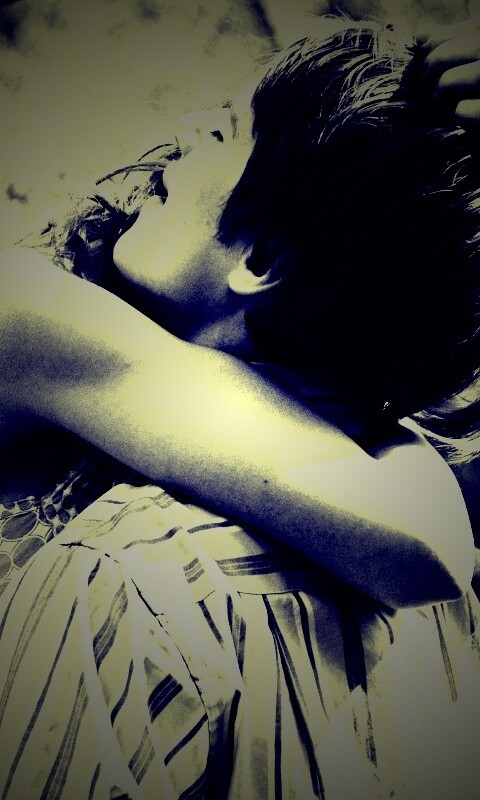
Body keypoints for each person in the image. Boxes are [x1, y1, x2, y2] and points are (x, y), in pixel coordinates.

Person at [0, 15, 479, 799]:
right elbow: (429, 536)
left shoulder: (137, 564)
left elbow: (427, 532)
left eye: (226, 130)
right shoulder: (24, 320)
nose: (186, 127)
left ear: (260, 259)